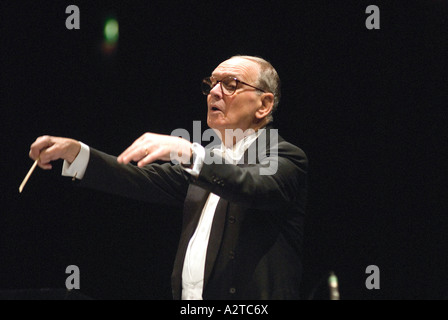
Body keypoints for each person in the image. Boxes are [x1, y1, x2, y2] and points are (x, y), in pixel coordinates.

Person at [29, 55, 308, 300]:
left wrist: (190, 153)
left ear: (264, 104)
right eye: (211, 84)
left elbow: (253, 186)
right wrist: (77, 153)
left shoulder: (286, 157)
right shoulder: (206, 162)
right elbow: (141, 178)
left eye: (231, 84)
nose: (214, 92)